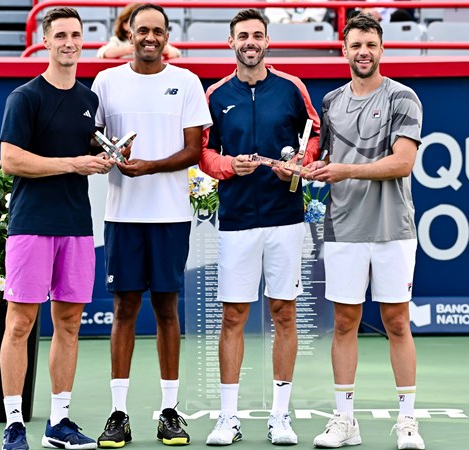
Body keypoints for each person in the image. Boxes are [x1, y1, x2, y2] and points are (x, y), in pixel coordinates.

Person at [90, 3, 212, 448]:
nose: (149, 37)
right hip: (122, 216)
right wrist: (111, 156)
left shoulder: (186, 82)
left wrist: (151, 166)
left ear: (166, 36)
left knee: (166, 310)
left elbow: (194, 150)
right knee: (124, 309)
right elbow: (96, 137)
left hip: (170, 217)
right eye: (142, 30)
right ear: (129, 33)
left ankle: (170, 412)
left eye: (158, 31)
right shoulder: (106, 82)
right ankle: (118, 413)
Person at [199, 8, 321, 447]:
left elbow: (314, 135)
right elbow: (204, 154)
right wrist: (229, 166)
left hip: (285, 218)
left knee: (284, 313)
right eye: (242, 36)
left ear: (267, 41)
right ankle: (227, 418)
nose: (250, 42)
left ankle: (280, 417)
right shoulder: (215, 94)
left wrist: (300, 163)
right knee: (233, 316)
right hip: (235, 221)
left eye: (257, 35)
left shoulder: (292, 88)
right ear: (231, 43)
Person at [304, 13, 425, 450]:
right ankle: (345, 420)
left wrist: (342, 170)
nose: (363, 52)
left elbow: (402, 163)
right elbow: (323, 163)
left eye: (370, 44)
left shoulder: (403, 98)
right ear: (344, 50)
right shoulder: (331, 102)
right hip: (343, 229)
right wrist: (305, 172)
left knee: (396, 321)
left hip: (393, 229)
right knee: (344, 323)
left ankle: (408, 422)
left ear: (381, 48)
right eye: (355, 45)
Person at [0, 7, 114, 450]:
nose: (69, 42)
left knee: (68, 324)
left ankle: (58, 424)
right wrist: (74, 164)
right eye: (60, 35)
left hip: (77, 228)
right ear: (45, 42)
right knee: (19, 324)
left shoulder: (89, 101)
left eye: (76, 35)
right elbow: (10, 160)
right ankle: (13, 424)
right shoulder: (24, 98)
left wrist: (104, 158)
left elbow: (86, 155)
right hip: (30, 226)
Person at [96, 3, 180, 59]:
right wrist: (126, 50)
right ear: (124, 24)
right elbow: (103, 53)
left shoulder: (156, 40)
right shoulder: (118, 41)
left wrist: (167, 52)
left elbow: (176, 53)